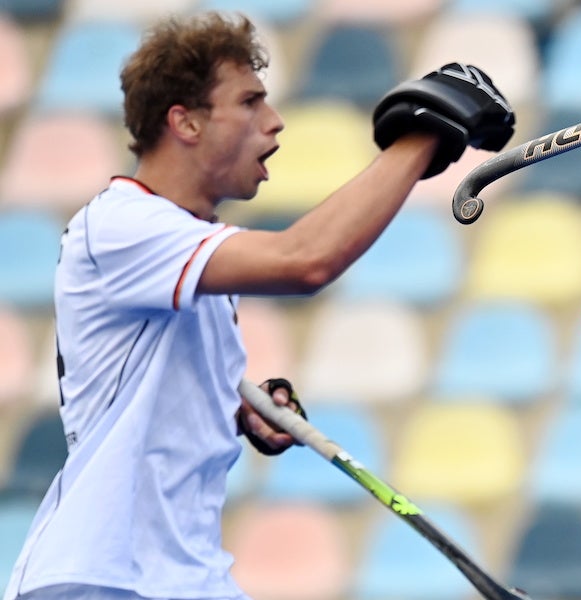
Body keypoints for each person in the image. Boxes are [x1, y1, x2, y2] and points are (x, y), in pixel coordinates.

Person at [4, 11, 513, 600]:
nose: (274, 123)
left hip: (182, 578)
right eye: (249, 103)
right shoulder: (123, 224)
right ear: (186, 122)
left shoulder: (186, 249)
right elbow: (307, 260)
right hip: (103, 577)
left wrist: (242, 415)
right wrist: (421, 141)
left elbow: (150, 407)